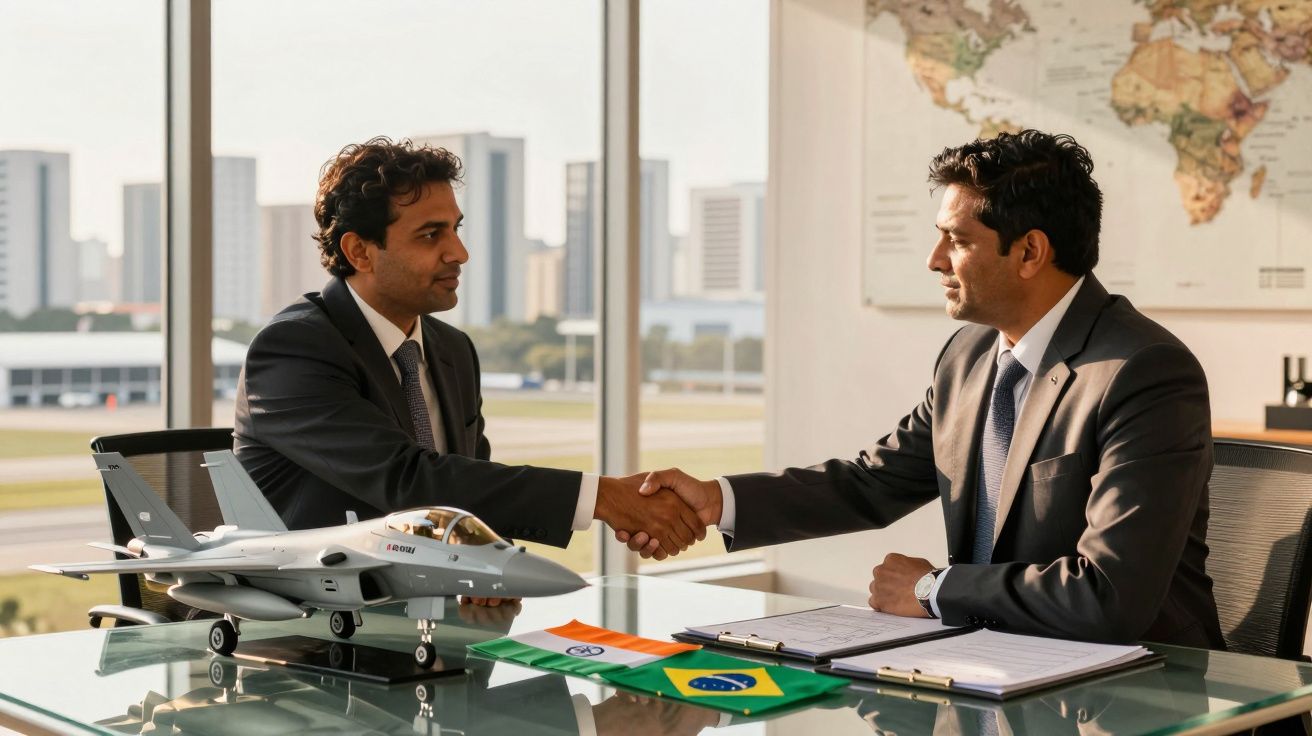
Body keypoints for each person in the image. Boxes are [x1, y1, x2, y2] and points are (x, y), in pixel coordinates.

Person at [620, 130, 1224, 647]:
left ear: (1031, 252)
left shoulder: (1143, 371)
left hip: (1139, 694)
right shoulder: (968, 357)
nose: (935, 260)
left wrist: (934, 589)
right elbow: (870, 482)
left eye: (958, 240)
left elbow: (1109, 597)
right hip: (998, 667)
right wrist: (716, 500)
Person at [234, 137, 702, 565]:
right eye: (430, 235)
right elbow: (410, 482)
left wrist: (487, 560)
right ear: (359, 251)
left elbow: (471, 486)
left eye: (456, 229)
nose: (459, 252)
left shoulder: (452, 349)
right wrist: (602, 497)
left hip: (427, 618)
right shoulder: (294, 349)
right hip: (303, 631)